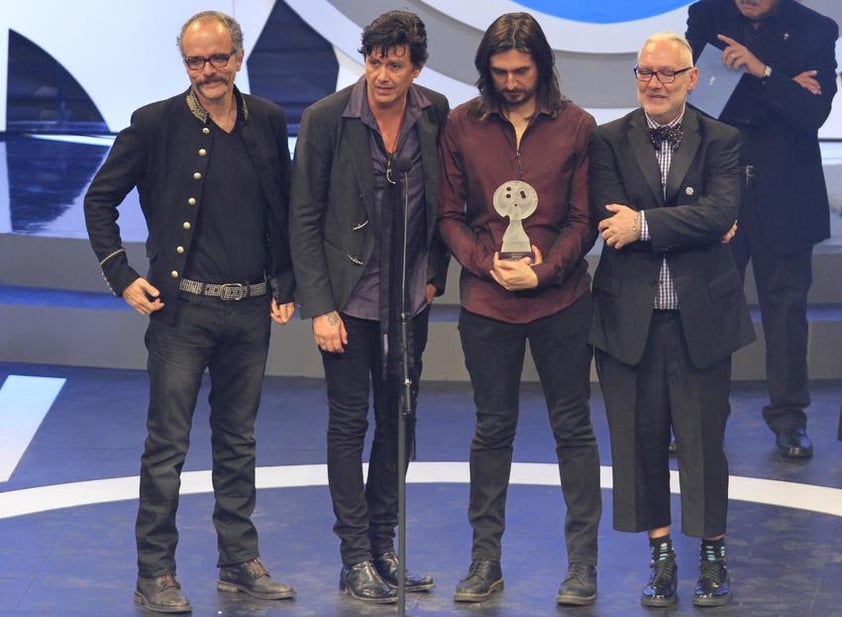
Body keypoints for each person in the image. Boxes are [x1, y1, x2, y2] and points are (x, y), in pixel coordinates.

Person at [83, 11, 296, 614]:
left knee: (238, 442)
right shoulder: (155, 124)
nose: (209, 71)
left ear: (238, 56)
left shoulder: (270, 120)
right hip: (182, 313)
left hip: (251, 312)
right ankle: (156, 573)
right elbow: (99, 200)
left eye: (219, 58)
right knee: (167, 447)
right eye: (196, 61)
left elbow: (278, 211)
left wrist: (284, 282)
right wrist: (122, 276)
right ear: (186, 65)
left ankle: (237, 563)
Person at [438, 12, 602, 607]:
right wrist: (488, 264)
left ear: (543, 67)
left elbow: (585, 221)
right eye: (500, 72)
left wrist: (544, 269)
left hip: (561, 301)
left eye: (521, 71)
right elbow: (450, 215)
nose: (510, 82)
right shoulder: (461, 124)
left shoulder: (578, 126)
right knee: (492, 430)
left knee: (573, 430)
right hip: (487, 302)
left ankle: (582, 565)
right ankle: (485, 563)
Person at [589, 32, 756, 608]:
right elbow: (610, 219)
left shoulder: (723, 139)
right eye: (645, 73)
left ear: (692, 78)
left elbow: (721, 212)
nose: (654, 83)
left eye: (666, 73)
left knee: (704, 444)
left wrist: (647, 225)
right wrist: (689, 222)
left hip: (700, 321)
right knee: (638, 444)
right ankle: (660, 560)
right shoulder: (607, 141)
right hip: (628, 321)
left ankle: (712, 558)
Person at [288, 10, 448, 604]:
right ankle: (353, 556)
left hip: (409, 302)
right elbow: (303, 216)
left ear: (417, 67)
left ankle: (384, 545)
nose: (382, 74)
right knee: (349, 425)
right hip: (348, 303)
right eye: (375, 60)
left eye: (395, 64)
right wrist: (320, 307)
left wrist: (436, 275)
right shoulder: (327, 118)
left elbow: (443, 200)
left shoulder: (434, 114)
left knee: (400, 422)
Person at [686, 0, 839, 459]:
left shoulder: (816, 28)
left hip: (787, 195)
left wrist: (759, 70)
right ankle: (701, 418)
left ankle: (790, 420)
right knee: (710, 310)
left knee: (787, 314)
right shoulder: (708, 16)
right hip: (720, 190)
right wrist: (781, 85)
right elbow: (699, 102)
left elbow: (811, 116)